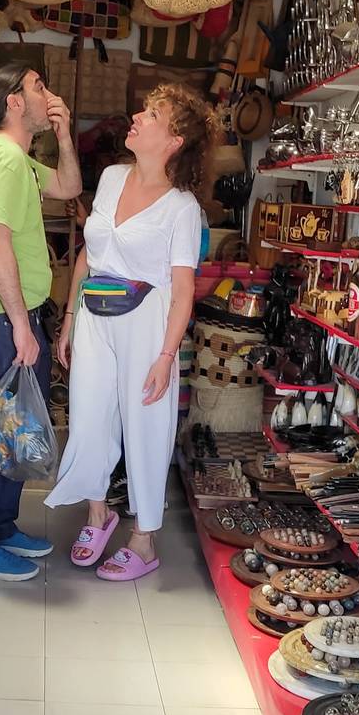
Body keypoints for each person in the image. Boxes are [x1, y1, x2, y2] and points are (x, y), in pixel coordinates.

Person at [45, 81, 217, 580]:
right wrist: (71, 319)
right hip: (96, 315)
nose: (137, 117)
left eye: (152, 114)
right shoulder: (113, 178)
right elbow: (88, 254)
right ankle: (99, 515)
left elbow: (183, 291)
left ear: (174, 141)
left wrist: (167, 355)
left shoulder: (182, 207)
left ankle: (143, 540)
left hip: (148, 322)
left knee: (146, 426)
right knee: (89, 414)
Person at [0, 62, 82, 582]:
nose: (45, 95)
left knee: (13, 423)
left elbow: (70, 186)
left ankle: (1, 528)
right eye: (37, 87)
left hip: (6, 314)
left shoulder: (20, 161)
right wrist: (20, 326)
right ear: (13, 102)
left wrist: (66, 133)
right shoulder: (4, 159)